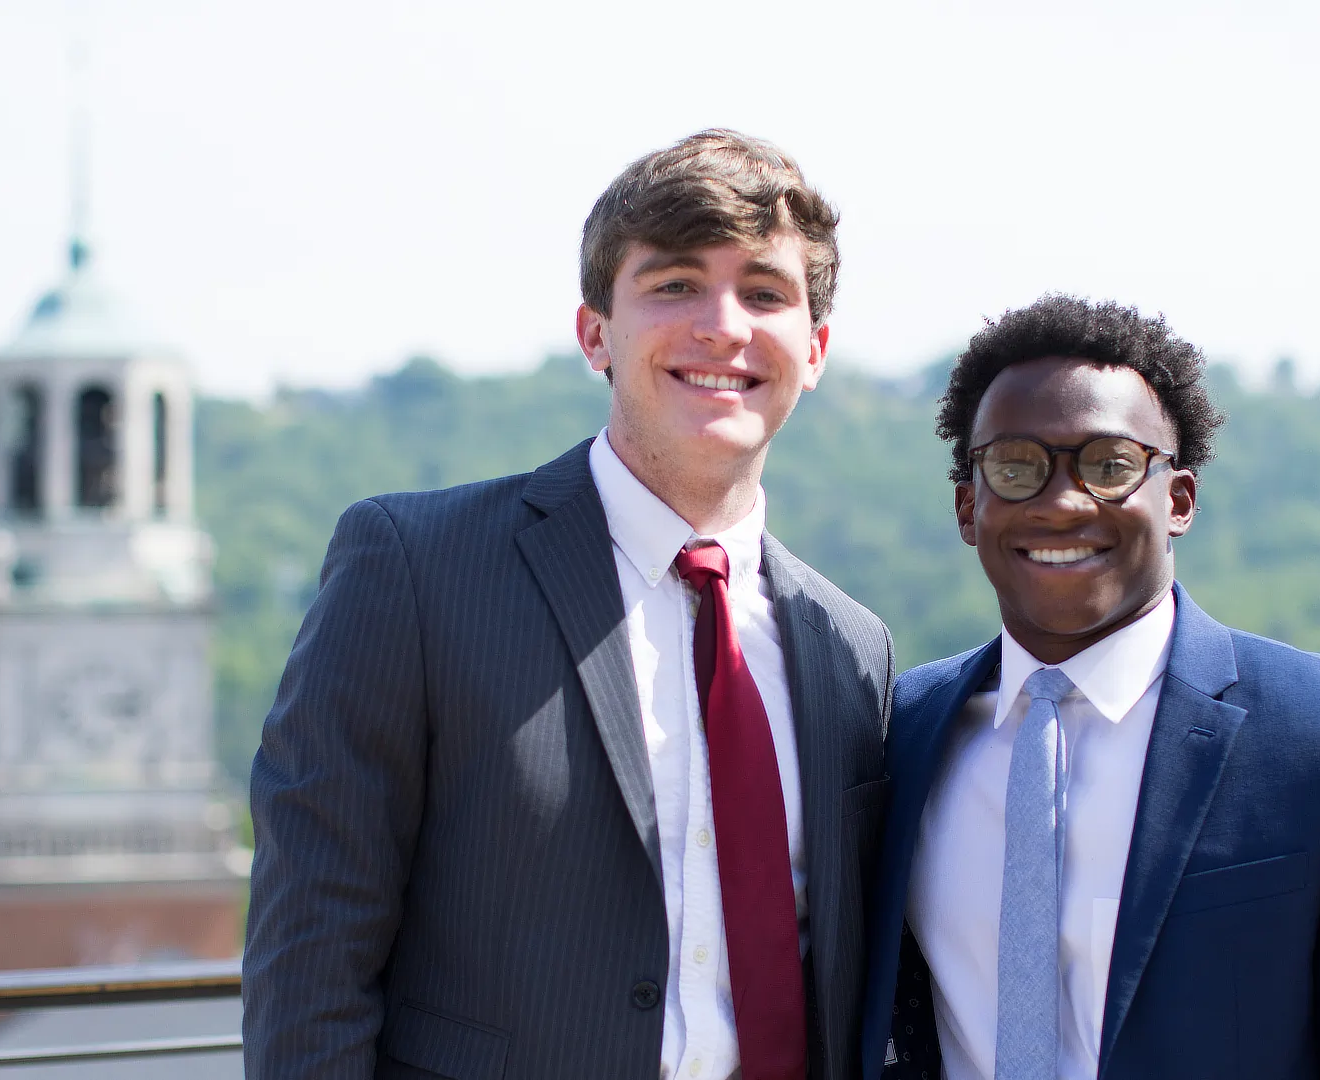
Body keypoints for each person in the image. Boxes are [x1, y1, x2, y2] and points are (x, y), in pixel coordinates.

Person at [244, 130, 895, 1080]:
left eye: (764, 293)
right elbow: (312, 953)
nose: (724, 324)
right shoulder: (416, 569)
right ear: (595, 332)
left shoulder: (853, 647)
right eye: (674, 285)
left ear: (816, 348)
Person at [861, 296, 1320, 1080]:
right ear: (968, 507)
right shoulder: (900, 730)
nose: (1062, 501)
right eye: (1016, 467)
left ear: (1178, 499)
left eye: (1109, 466)